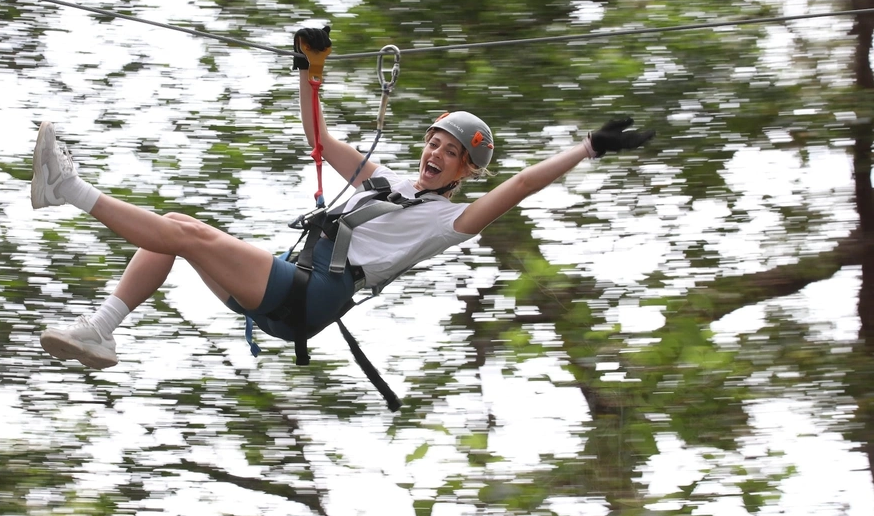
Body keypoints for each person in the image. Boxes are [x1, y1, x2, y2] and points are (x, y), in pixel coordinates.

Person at [32, 27, 654, 370]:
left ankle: (69, 190)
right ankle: (99, 332)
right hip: (289, 292)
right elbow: (318, 138)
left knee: (189, 236)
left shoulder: (448, 219)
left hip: (312, 296)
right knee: (175, 230)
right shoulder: (387, 182)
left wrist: (586, 150)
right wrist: (311, 73)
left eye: (452, 152)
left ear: (465, 170)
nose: (436, 154)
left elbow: (517, 187)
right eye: (435, 142)